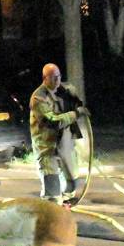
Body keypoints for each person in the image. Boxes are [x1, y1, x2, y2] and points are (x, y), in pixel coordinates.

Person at [29, 63, 90, 205]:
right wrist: (75, 114)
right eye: (53, 78)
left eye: (58, 77)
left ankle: (65, 206)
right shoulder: (38, 98)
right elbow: (53, 122)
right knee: (52, 189)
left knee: (72, 184)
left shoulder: (66, 90)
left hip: (65, 145)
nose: (57, 81)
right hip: (47, 147)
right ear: (45, 78)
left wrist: (79, 106)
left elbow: (77, 103)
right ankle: (51, 216)